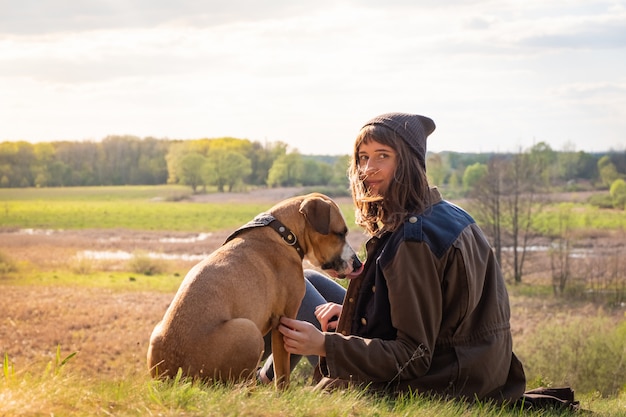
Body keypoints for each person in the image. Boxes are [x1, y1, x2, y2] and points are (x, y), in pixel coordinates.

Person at [259, 112, 526, 404]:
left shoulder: (415, 240)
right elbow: (429, 314)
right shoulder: (449, 213)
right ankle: (262, 378)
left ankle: (257, 382)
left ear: (409, 162)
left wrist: (324, 344)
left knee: (304, 297)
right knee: (310, 280)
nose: (367, 169)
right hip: (476, 369)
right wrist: (357, 317)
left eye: (382, 156)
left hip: (444, 382)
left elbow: (413, 355)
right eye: (362, 157)